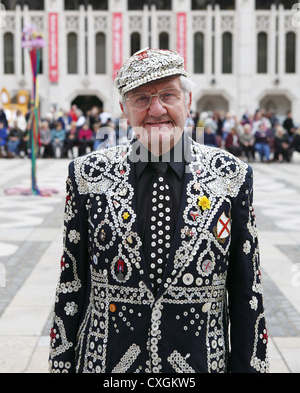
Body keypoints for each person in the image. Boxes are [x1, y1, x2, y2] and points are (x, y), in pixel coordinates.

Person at [49, 48, 269, 373]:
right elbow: (71, 287)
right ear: (125, 111)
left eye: (168, 94)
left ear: (188, 101)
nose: (156, 109)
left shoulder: (231, 177)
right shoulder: (87, 177)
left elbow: (247, 295)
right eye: (141, 98)